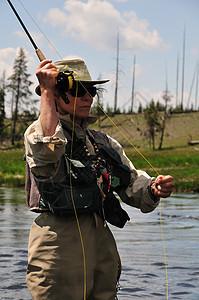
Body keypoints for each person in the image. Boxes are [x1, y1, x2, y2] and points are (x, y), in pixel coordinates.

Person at [24, 58, 174, 300]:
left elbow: (133, 185)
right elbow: (47, 149)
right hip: (57, 242)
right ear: (55, 94)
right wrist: (46, 90)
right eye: (78, 91)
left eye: (91, 91)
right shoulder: (37, 133)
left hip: (101, 240)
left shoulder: (103, 142)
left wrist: (154, 188)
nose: (88, 98)